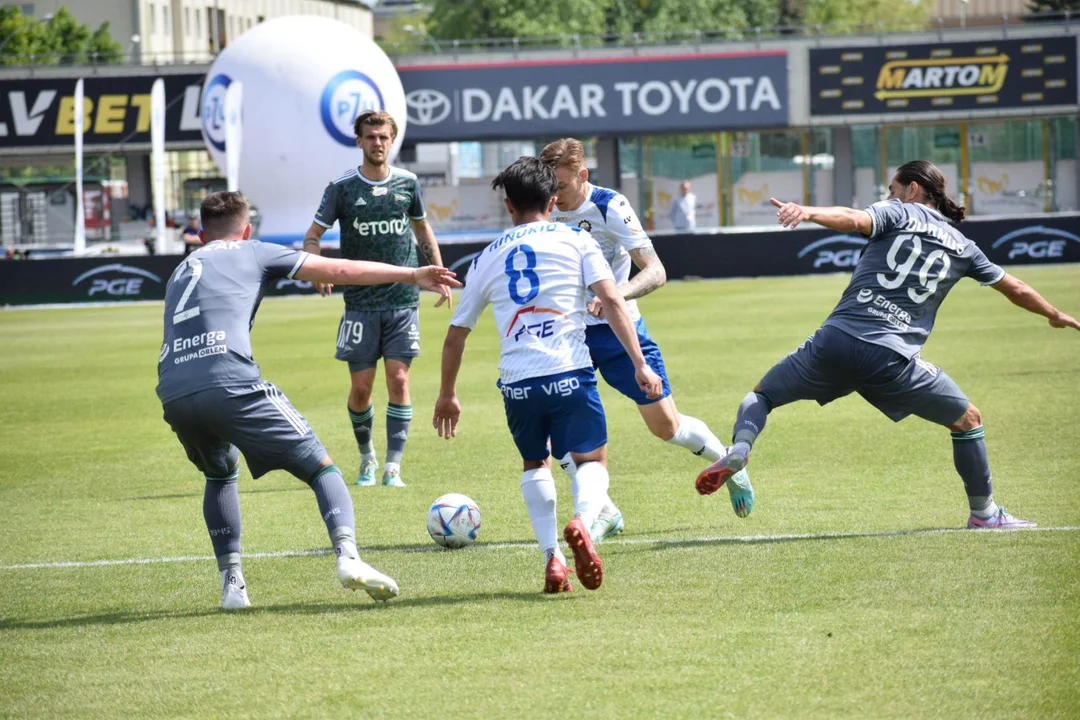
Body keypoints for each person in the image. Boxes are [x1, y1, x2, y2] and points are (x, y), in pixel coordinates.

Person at [697, 160, 1080, 528]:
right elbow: (1015, 287)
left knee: (761, 397)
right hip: (891, 358)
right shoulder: (964, 247)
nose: (889, 196)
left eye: (893, 189)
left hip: (835, 341)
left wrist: (807, 211)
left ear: (913, 189)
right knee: (968, 421)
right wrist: (1053, 313)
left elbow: (853, 218)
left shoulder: (898, 213)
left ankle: (742, 449)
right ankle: (984, 513)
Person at [157, 191, 460, 610]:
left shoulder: (180, 269)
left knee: (221, 474)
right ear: (246, 231)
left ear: (201, 232)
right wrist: (411, 275)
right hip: (229, 380)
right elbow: (337, 268)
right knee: (323, 469)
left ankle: (232, 586)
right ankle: (349, 558)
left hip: (173, 390)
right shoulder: (253, 250)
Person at [432, 157, 663, 593]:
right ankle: (583, 520)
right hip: (570, 370)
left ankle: (552, 560)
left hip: (517, 381)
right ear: (553, 201)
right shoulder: (575, 240)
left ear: (508, 206)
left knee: (534, 462)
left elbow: (455, 335)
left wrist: (447, 394)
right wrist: (640, 363)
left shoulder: (486, 257)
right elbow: (613, 301)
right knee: (591, 460)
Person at [539, 138, 753, 541]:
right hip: (567, 337)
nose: (555, 197)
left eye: (562, 187)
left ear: (583, 176)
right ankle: (604, 512)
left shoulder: (609, 206)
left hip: (619, 333)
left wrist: (617, 296)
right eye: (549, 188)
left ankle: (726, 461)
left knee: (666, 427)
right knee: (552, 431)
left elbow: (655, 270)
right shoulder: (546, 206)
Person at [303, 110, 451, 489]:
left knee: (399, 381)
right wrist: (317, 266)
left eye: (383, 137)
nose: (378, 143)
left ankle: (393, 466)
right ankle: (367, 457)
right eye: (370, 137)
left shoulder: (408, 183)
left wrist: (437, 272)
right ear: (359, 141)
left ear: (392, 139)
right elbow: (313, 235)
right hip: (360, 304)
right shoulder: (342, 188)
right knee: (362, 389)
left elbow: (422, 229)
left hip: (402, 301)